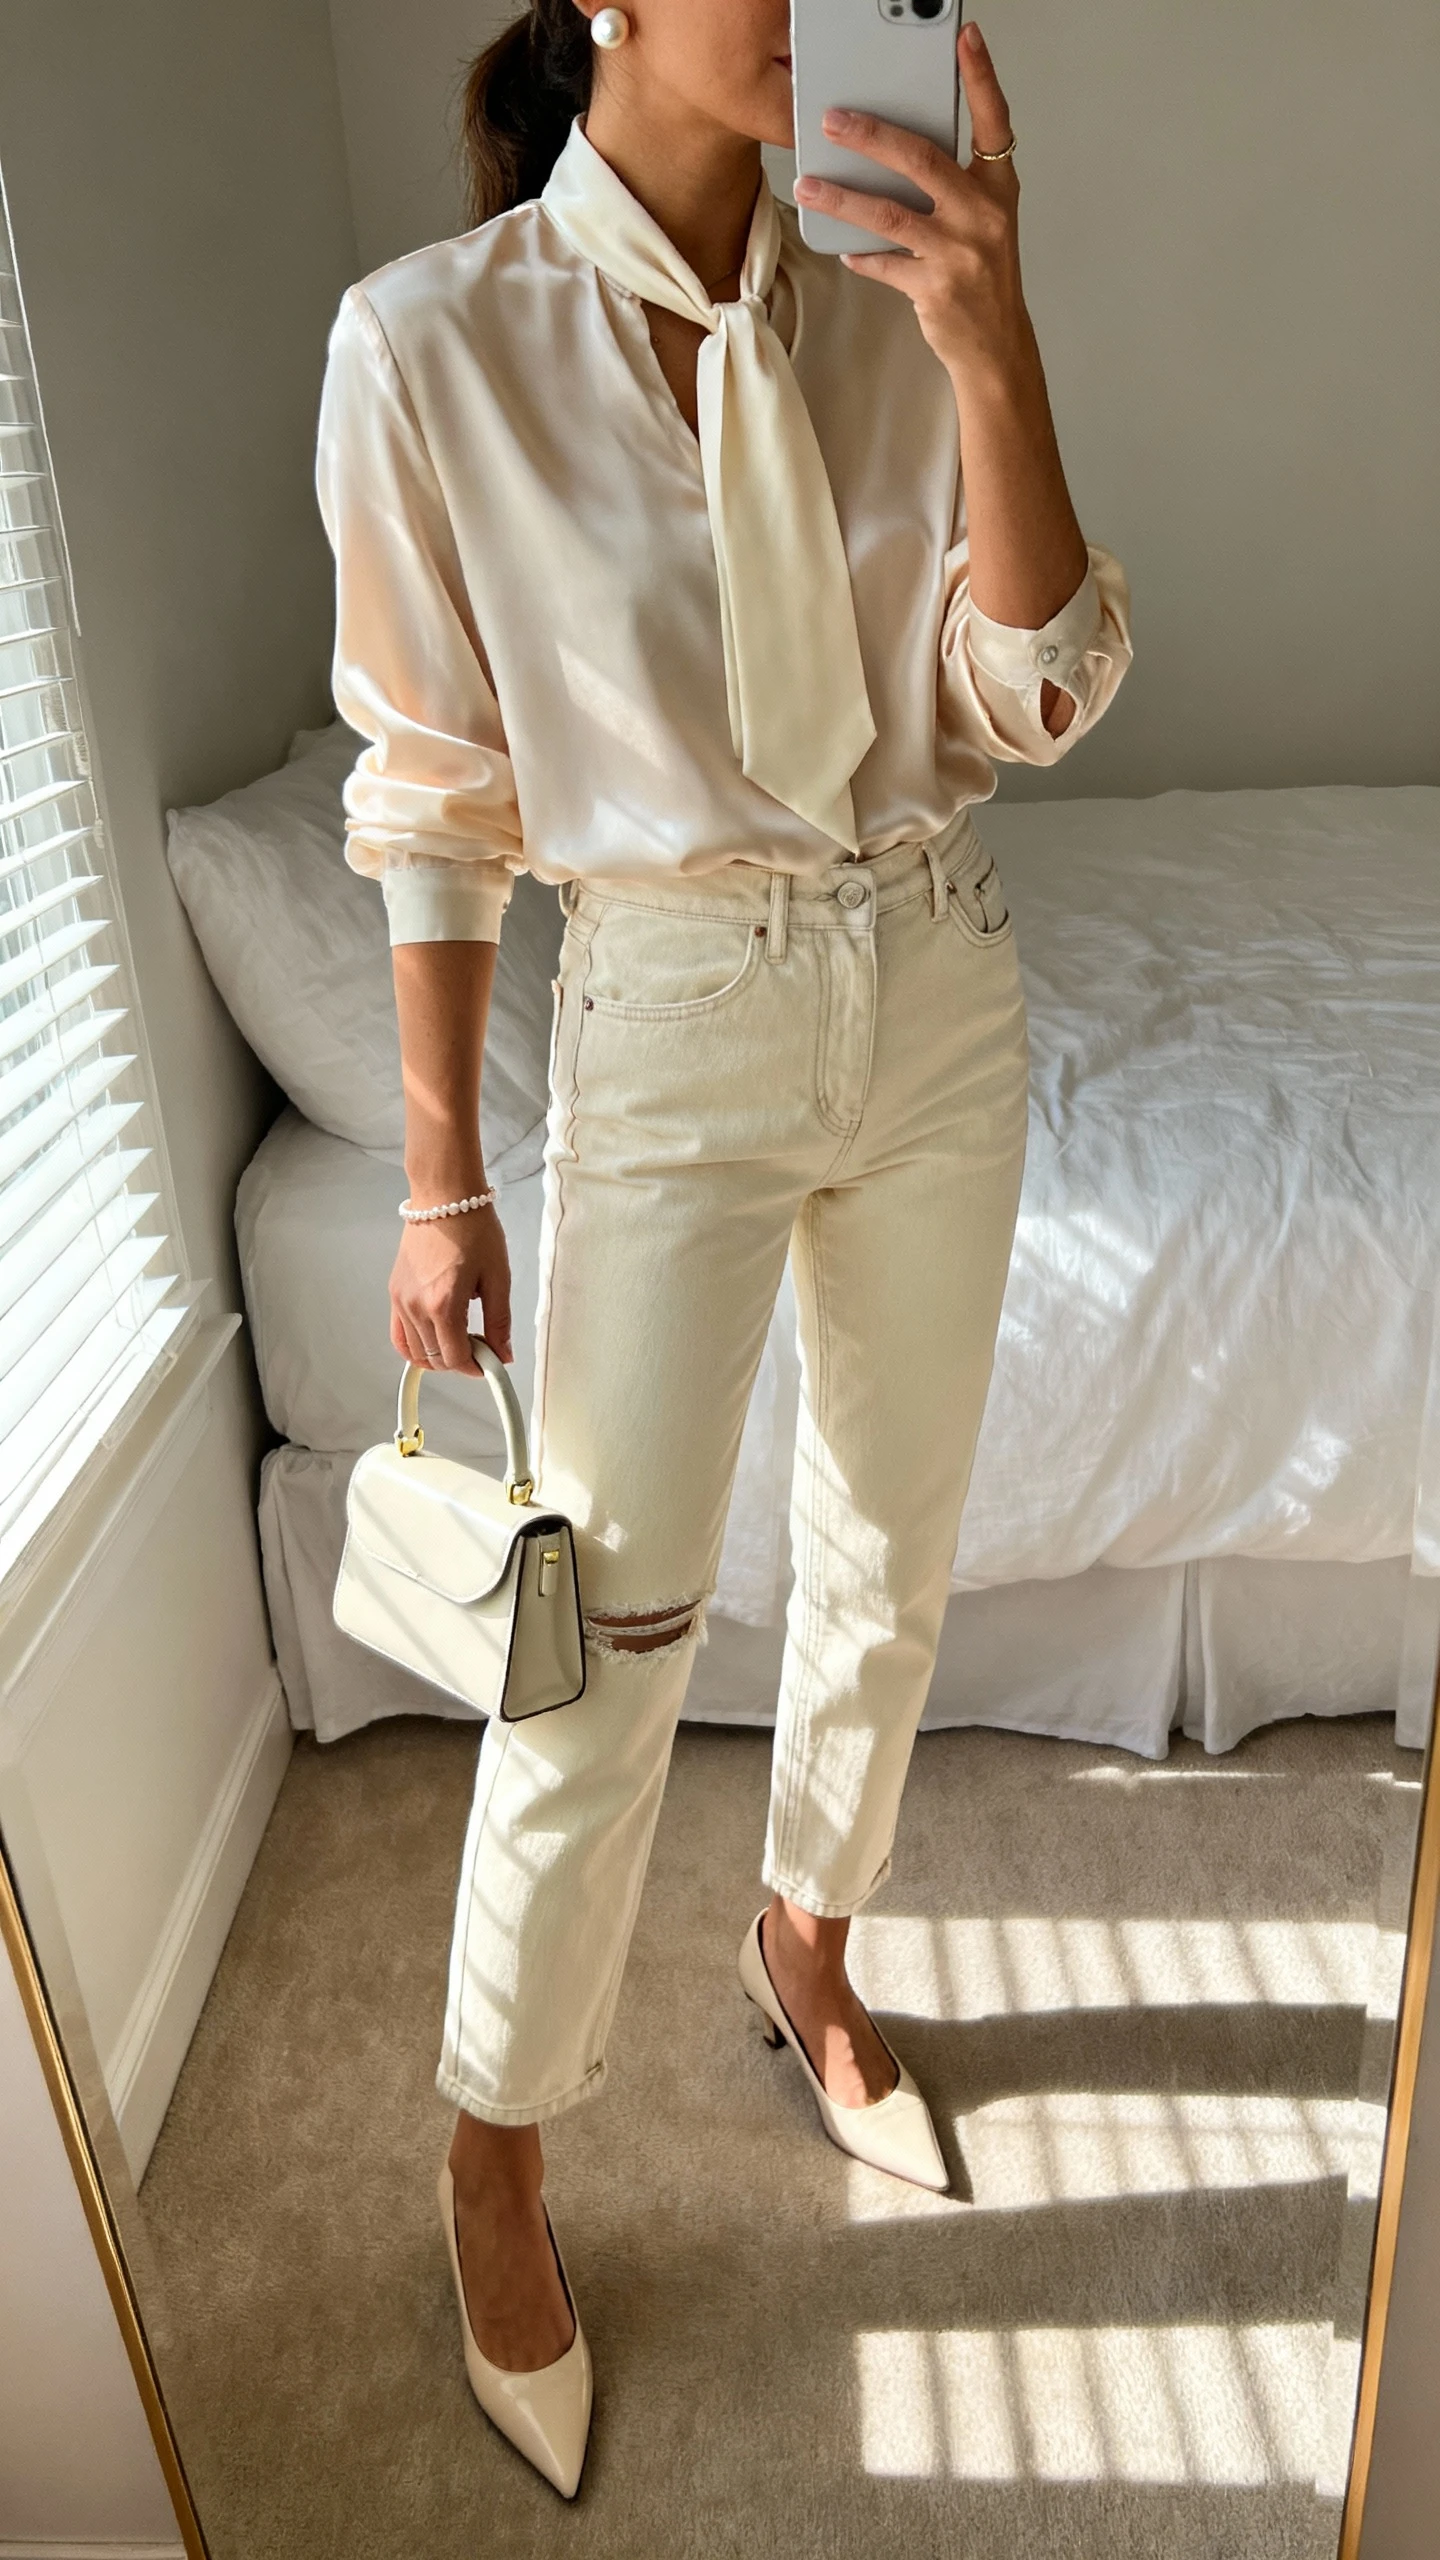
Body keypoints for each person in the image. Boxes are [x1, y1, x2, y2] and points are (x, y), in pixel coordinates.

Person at [315, 0, 1131, 2499]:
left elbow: (1046, 686)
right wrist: (443, 1175)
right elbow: (434, 791)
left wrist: (986, 335)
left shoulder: (894, 275)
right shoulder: (425, 347)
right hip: (665, 1014)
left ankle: (811, 1944)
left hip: (940, 969)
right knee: (603, 1631)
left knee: (893, 1555)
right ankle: (496, 2137)